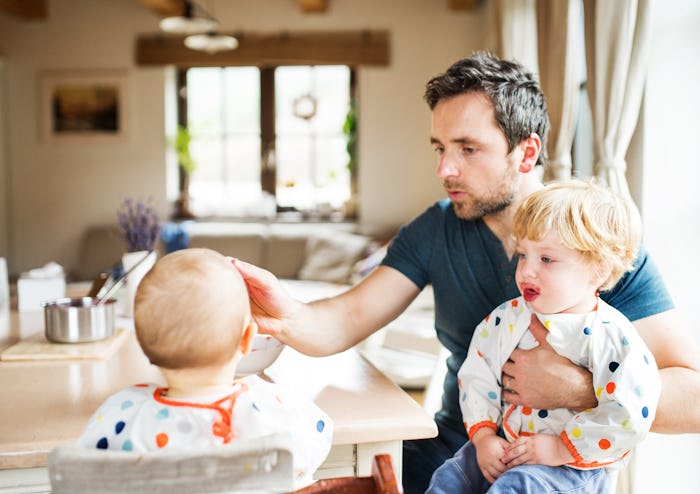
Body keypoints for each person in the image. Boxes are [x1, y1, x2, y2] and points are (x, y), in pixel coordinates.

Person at [233, 52, 700, 493]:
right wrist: (284, 312)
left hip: (555, 468)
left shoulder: (597, 245)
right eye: (440, 147)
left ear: (527, 152)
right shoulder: (435, 228)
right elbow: (347, 318)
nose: (444, 168)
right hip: (454, 452)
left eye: (467, 149)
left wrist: (579, 389)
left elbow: (693, 398)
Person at [426, 180, 661, 493]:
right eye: (523, 255)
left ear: (597, 271)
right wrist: (483, 437)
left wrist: (558, 449)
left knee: (515, 487)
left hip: (573, 466)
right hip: (505, 445)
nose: (526, 272)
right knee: (449, 477)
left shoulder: (614, 337)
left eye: (546, 259)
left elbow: (631, 414)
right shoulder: (506, 318)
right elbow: (477, 374)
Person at [78, 248, 333, 488]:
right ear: (247, 340)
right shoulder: (276, 410)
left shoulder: (121, 415)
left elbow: (87, 473)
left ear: (144, 346)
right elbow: (320, 439)